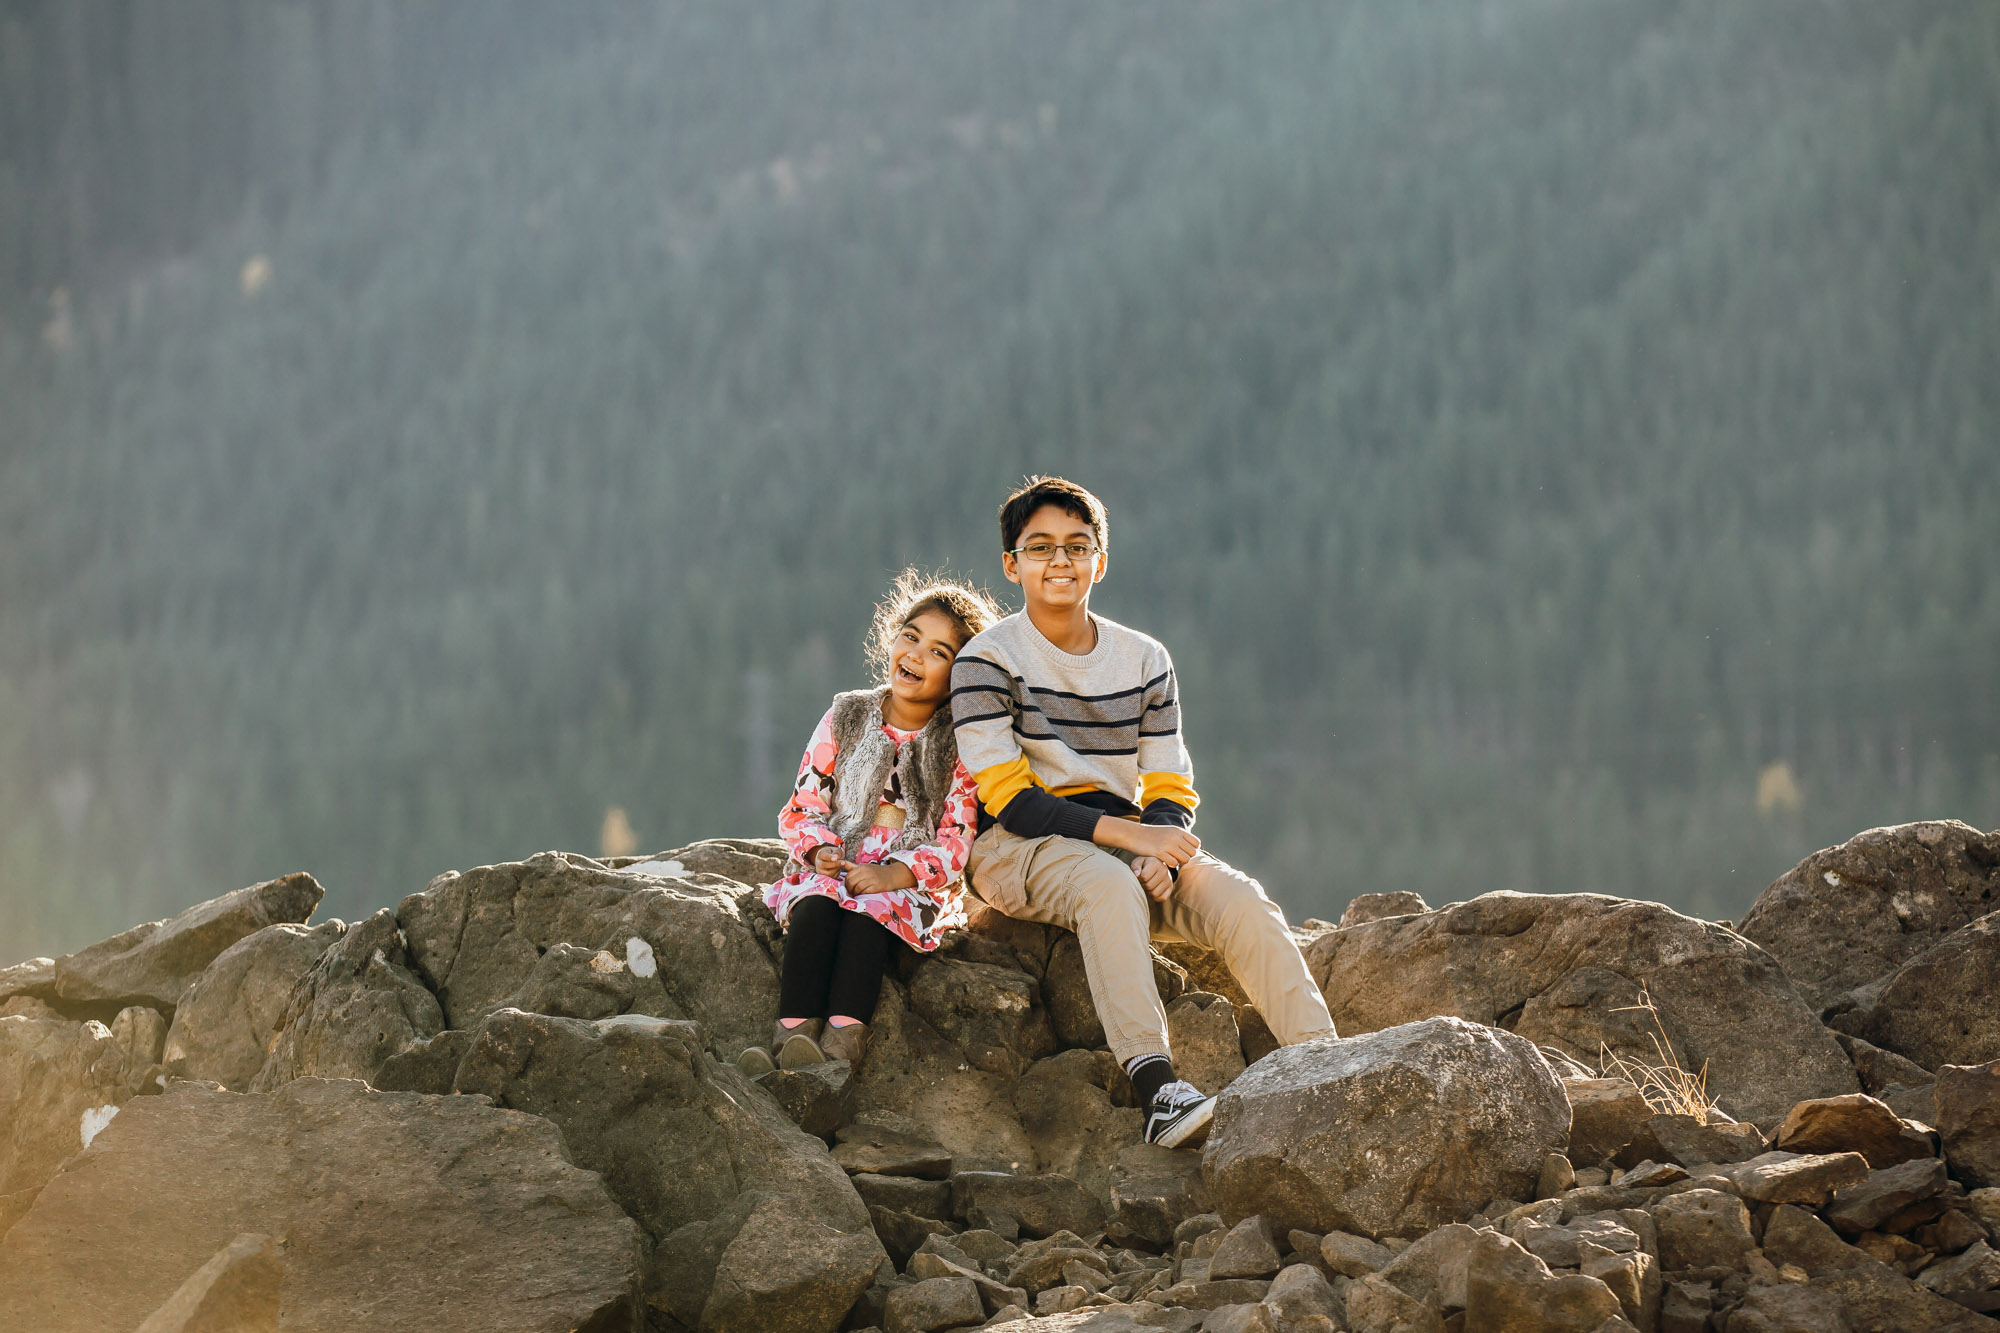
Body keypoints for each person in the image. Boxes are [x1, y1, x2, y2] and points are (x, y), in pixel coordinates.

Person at [950, 476, 1338, 1148]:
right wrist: (1133, 844)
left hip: (1129, 835)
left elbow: (1170, 781)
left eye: (1077, 545)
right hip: (1017, 842)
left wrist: (1157, 845)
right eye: (1039, 547)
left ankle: (1331, 1067)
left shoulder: (1144, 659)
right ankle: (1157, 1089)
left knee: (1240, 898)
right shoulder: (986, 660)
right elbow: (1009, 795)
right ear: (1011, 564)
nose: (1060, 560)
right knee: (1106, 887)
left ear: (1101, 560)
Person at [738, 572, 1002, 1078]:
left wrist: (896, 875)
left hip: (906, 883)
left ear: (960, 676)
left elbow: (955, 839)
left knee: (866, 920)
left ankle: (838, 1051)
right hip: (837, 864)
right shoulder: (847, 715)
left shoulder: (958, 743)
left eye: (940, 653)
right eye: (911, 636)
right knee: (816, 909)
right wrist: (819, 851)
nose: (917, 655)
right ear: (893, 636)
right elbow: (803, 806)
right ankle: (791, 1038)